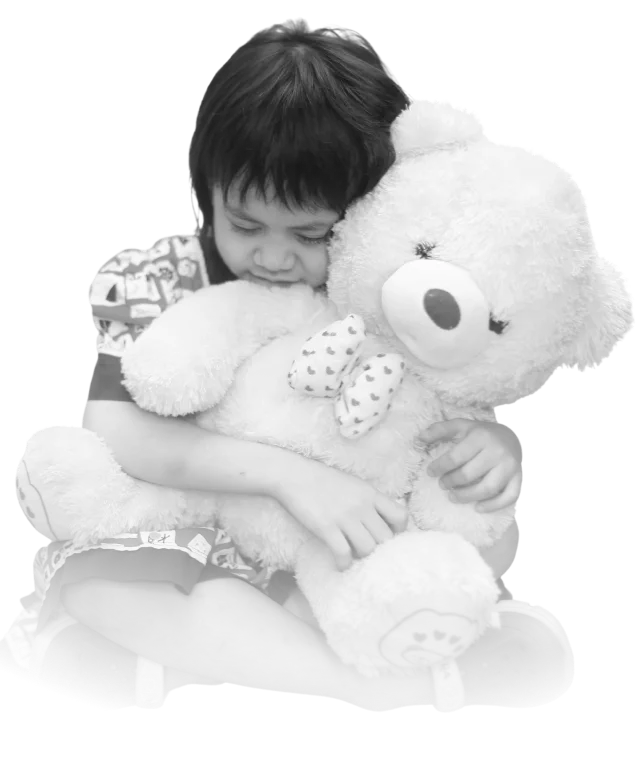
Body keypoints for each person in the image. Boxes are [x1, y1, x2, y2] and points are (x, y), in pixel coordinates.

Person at [3, 20, 569, 712]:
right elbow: (116, 431)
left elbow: (451, 412)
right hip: (195, 538)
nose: (272, 257)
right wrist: (296, 478)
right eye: (244, 225)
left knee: (476, 538)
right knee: (102, 585)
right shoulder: (157, 274)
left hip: (344, 554)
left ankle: (192, 662)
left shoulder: (392, 289)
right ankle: (395, 687)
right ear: (204, 191)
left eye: (311, 234)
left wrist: (497, 448)